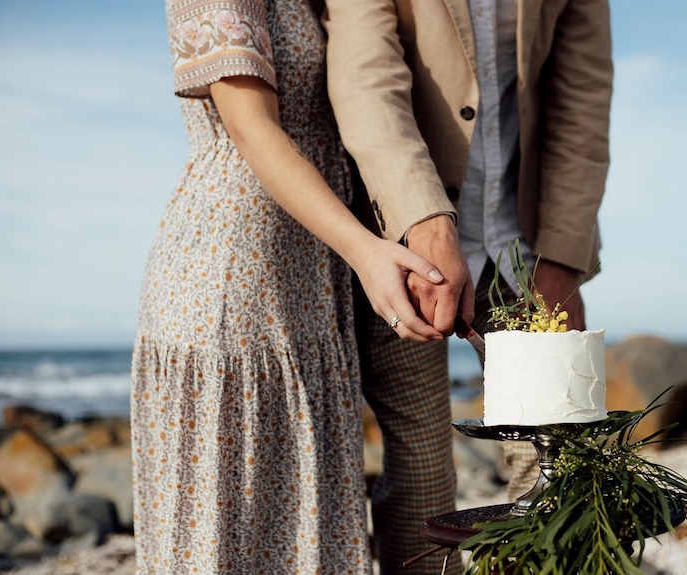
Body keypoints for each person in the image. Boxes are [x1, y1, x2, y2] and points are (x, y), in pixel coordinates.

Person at [130, 1, 449, 573]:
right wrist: (367, 253)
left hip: (309, 289)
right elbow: (251, 129)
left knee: (304, 537)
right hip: (234, 288)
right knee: (228, 542)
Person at [324, 1, 613, 573]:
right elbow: (365, 73)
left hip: (529, 246)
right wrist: (423, 220)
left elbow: (583, 97)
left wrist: (561, 257)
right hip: (408, 243)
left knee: (559, 458)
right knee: (423, 469)